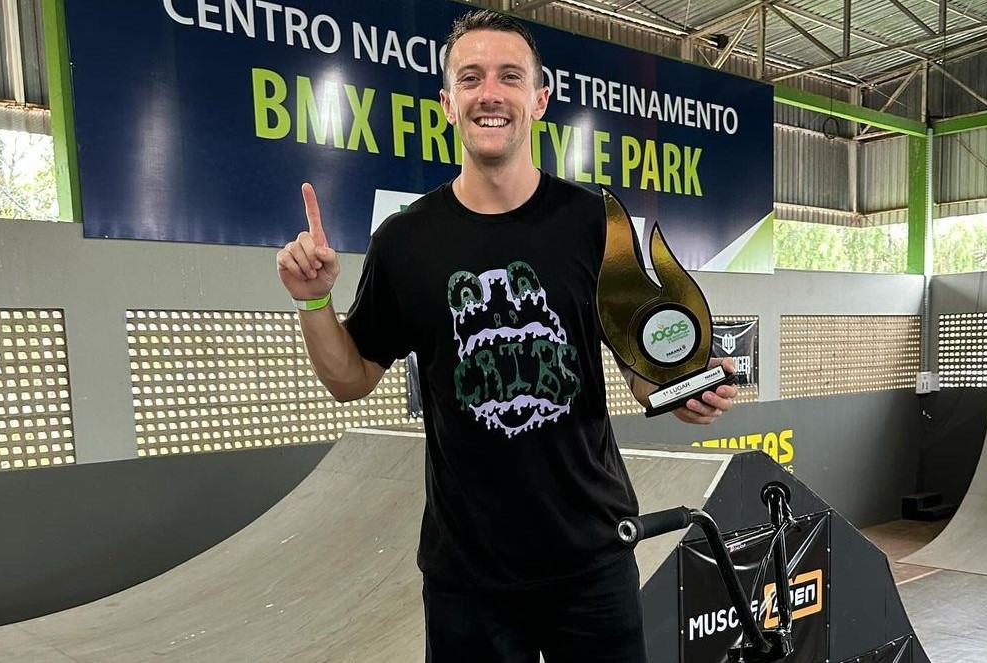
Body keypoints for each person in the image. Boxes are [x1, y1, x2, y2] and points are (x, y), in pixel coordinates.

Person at [275, 9, 738, 662]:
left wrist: (683, 388)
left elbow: (641, 369)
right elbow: (351, 379)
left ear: (539, 100)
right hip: (469, 577)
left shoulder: (592, 222)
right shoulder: (405, 242)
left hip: (593, 559)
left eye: (509, 77)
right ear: (447, 104)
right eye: (470, 78)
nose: (489, 93)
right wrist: (314, 300)